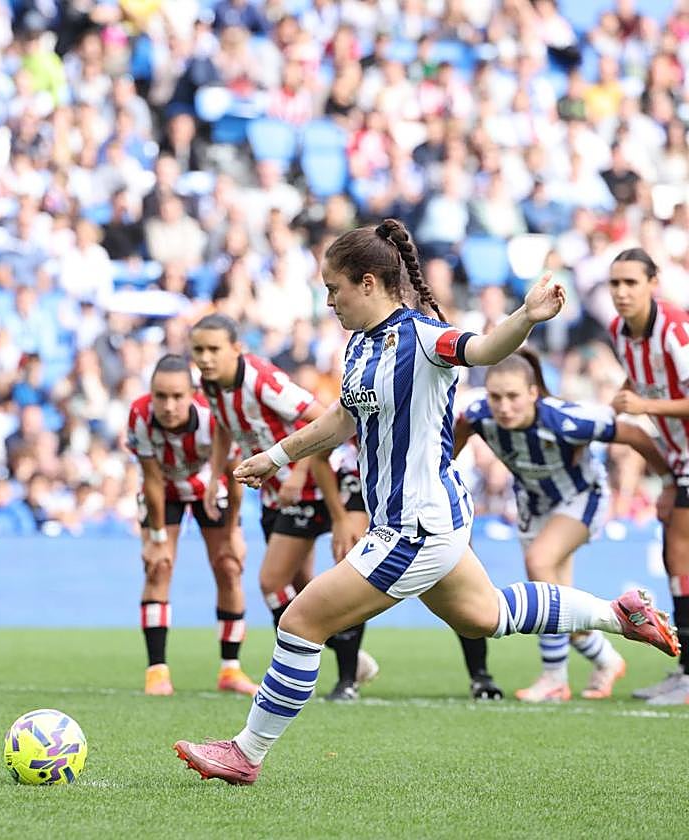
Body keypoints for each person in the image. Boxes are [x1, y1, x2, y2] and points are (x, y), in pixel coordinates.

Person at [174, 219, 679, 786]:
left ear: (368, 283)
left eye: (334, 288)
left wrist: (527, 315)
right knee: (487, 616)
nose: (330, 300)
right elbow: (343, 418)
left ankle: (246, 753)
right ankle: (620, 614)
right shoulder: (360, 346)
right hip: (426, 519)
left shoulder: (424, 336)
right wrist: (276, 456)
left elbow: (484, 348)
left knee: (299, 622)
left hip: (414, 526)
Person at [455, 349, 669, 701]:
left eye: (513, 397)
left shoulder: (566, 420)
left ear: (533, 393)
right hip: (533, 504)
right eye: (496, 397)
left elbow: (633, 435)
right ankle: (606, 660)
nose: (504, 406)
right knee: (558, 601)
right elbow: (455, 441)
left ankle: (554, 677)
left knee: (539, 564)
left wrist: (669, 481)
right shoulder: (479, 416)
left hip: (582, 498)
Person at [189, 313, 377, 702]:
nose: (205, 358)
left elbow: (323, 419)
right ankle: (348, 658)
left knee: (274, 581)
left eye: (213, 350)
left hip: (320, 483)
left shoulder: (263, 380)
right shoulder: (210, 384)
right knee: (303, 589)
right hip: (278, 492)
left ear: (236, 349)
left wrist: (298, 470)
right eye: (198, 350)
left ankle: (327, 672)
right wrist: (214, 477)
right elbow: (225, 427)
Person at [125, 354, 256, 696]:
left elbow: (234, 473)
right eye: (161, 396)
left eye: (177, 396)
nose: (168, 406)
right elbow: (152, 480)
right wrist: (155, 538)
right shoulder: (139, 416)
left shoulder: (211, 419)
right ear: (151, 394)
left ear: (192, 393)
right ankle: (157, 672)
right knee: (159, 567)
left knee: (229, 567)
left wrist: (234, 531)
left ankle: (230, 669)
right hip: (164, 491)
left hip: (208, 489)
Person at [607, 247, 689, 703]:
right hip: (678, 458)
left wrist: (642, 407)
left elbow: (651, 397)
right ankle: (684, 670)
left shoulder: (676, 330)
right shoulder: (620, 331)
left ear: (653, 284)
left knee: (679, 554)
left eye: (631, 283)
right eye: (615, 284)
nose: (621, 293)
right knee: (676, 557)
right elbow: (638, 382)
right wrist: (621, 397)